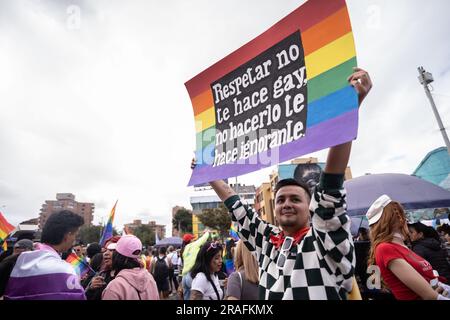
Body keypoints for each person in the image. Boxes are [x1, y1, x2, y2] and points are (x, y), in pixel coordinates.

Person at [198, 68, 371, 300]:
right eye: (280, 200)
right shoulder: (267, 242)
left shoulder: (324, 240)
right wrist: (207, 171)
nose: (286, 204)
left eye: (295, 199)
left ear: (312, 208)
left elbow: (331, 186)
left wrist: (351, 110)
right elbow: (235, 205)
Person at [367, 195, 449, 300]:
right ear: (396, 218)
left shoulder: (402, 246)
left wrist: (443, 287)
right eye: (403, 214)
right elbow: (430, 296)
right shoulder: (385, 248)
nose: (406, 219)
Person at [4, 210, 85, 300]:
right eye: (75, 235)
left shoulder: (18, 260)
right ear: (68, 235)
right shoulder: (65, 270)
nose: (74, 240)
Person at [102, 235, 159, 300]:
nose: (106, 253)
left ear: (117, 256)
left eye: (112, 251)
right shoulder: (150, 278)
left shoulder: (114, 287)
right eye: (105, 250)